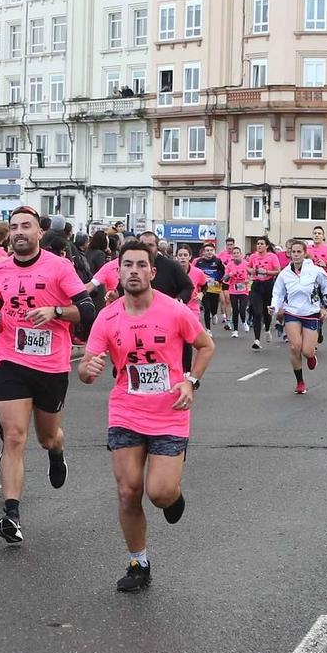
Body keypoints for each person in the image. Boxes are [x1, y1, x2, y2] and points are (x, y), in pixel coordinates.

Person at [79, 240, 215, 592]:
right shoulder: (107, 317)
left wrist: (191, 381)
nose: (134, 271)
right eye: (128, 265)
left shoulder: (174, 311)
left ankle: (173, 495)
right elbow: (86, 368)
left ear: (152, 272)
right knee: (128, 492)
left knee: (159, 493)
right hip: (125, 410)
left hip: (170, 411)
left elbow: (205, 345)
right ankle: (138, 562)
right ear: (118, 271)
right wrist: (88, 368)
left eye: (141, 265)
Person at [0, 206, 95, 545]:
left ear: (39, 233)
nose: (19, 232)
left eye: (26, 226)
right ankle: (11, 514)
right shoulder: (1, 268)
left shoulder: (59, 267)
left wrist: (56, 311)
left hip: (50, 366)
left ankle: (56, 451)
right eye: (14, 227)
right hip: (11, 360)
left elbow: (87, 310)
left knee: (47, 436)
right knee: (13, 436)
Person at [271, 238, 327, 395]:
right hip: (292, 312)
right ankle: (300, 382)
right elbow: (278, 293)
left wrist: (325, 307)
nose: (296, 255)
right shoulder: (285, 273)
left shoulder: (315, 270)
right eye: (293, 252)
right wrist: (275, 306)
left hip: (311, 312)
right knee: (294, 347)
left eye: (299, 252)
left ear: (305, 254)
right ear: (289, 254)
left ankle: (311, 356)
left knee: (306, 351)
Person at [245, 236, 282, 348]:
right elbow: (248, 267)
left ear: (266, 246)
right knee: (257, 312)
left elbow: (277, 270)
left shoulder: (272, 256)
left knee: (267, 312)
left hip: (268, 285)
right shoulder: (253, 256)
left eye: (261, 244)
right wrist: (251, 270)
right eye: (258, 244)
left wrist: (266, 271)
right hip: (256, 285)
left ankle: (267, 329)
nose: (259, 246)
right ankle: (257, 340)